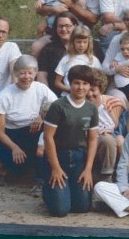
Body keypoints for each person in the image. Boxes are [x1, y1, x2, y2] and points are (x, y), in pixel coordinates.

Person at [41, 64, 99, 217]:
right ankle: (48, 190)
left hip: (79, 158)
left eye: (85, 84)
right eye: (76, 83)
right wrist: (55, 167)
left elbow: (93, 139)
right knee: (60, 210)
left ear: (90, 86)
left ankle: (69, 190)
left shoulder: (91, 109)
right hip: (59, 157)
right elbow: (48, 137)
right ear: (69, 83)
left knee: (82, 207)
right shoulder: (58, 106)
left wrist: (88, 169)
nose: (80, 87)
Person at [0, 55, 56, 181]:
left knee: (41, 152)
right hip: (11, 135)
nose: (27, 76)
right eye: (22, 73)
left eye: (30, 73)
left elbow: (56, 106)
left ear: (36, 73)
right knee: (18, 166)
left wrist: (41, 116)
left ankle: (40, 179)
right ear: (15, 73)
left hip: (34, 130)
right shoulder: (5, 95)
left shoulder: (40, 88)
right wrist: (14, 148)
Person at [53, 25, 101, 95]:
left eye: (85, 42)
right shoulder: (66, 59)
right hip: (68, 95)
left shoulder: (93, 60)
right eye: (79, 42)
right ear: (73, 42)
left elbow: (100, 80)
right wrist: (70, 89)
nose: (81, 45)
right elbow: (57, 83)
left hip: (87, 96)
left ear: (89, 43)